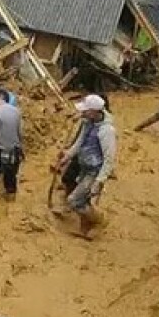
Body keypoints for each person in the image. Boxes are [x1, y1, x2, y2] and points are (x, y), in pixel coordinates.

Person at [55, 94, 117, 238]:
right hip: (84, 165)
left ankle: (100, 220)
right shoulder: (87, 122)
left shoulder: (106, 131)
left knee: (74, 200)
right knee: (83, 199)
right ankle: (87, 225)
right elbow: (80, 142)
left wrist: (99, 181)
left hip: (94, 171)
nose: (82, 112)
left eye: (86, 110)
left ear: (95, 111)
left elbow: (109, 159)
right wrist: (67, 156)